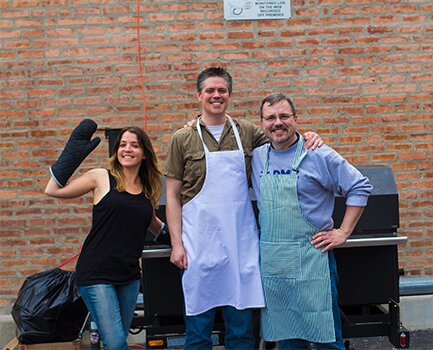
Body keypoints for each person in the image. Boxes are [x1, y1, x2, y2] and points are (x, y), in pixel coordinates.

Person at [163, 67, 323, 349]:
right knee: (198, 332)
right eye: (210, 90)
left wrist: (310, 136)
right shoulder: (182, 138)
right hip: (198, 245)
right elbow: (173, 196)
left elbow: (283, 141)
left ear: (229, 95)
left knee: (241, 331)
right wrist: (177, 244)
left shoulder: (246, 131)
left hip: (241, 245)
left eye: (222, 90)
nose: (216, 95)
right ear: (199, 95)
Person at [251, 93, 372, 349]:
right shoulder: (258, 156)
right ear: (261, 123)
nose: (277, 123)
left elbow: (359, 186)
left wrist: (343, 231)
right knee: (288, 338)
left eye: (284, 116)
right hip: (275, 263)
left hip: (313, 259)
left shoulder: (317, 153)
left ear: (296, 118)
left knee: (326, 337)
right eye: (270, 118)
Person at [45, 123, 166, 350]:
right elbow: (52, 190)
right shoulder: (101, 177)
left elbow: (154, 225)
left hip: (129, 276)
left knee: (116, 340)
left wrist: (182, 243)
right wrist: (71, 155)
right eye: (122, 145)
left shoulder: (147, 189)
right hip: (96, 274)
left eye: (134, 145)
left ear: (144, 153)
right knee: (116, 343)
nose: (127, 149)